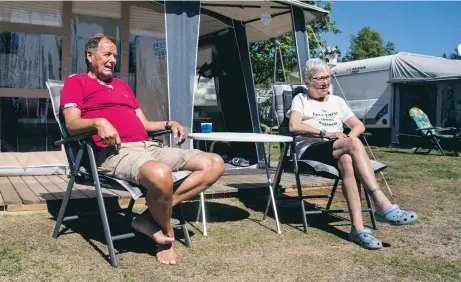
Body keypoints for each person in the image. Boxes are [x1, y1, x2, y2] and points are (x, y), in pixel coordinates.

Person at [61, 33, 225, 264]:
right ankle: (166, 236)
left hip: (148, 146)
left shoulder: (121, 86)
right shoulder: (76, 82)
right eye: (107, 54)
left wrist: (169, 123)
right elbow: (71, 124)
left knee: (214, 163)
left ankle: (147, 218)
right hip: (114, 152)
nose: (112, 60)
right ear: (90, 55)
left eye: (115, 56)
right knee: (160, 174)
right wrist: (98, 122)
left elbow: (145, 124)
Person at [287, 58, 417, 249]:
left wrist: (349, 140)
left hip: (338, 147)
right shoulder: (301, 99)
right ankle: (381, 203)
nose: (325, 82)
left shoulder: (337, 101)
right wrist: (326, 133)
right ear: (308, 82)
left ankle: (357, 229)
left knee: (348, 161)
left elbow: (358, 125)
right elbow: (294, 125)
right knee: (352, 145)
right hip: (312, 148)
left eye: (327, 77)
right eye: (319, 78)